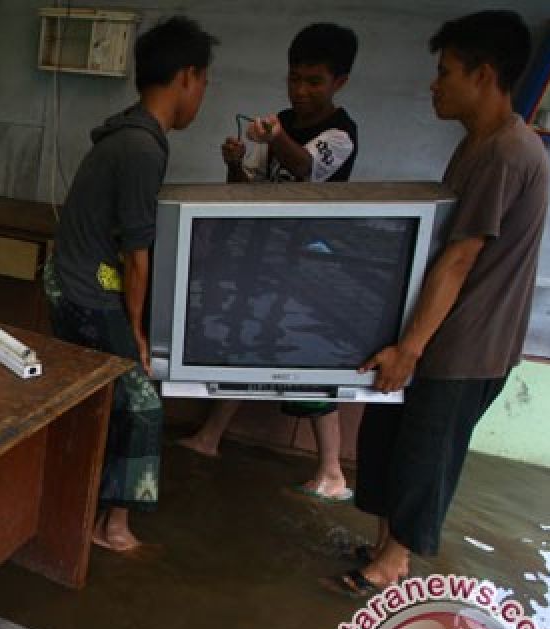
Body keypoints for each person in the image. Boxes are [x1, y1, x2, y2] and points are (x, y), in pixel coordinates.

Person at [326, 10, 549, 596]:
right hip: (439, 332)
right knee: (385, 442)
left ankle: (393, 564)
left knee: (425, 452)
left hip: (468, 342)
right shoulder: (477, 146)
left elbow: (459, 258)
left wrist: (410, 349)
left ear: (483, 74)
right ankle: (383, 545)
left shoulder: (507, 152)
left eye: (445, 72)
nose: (435, 84)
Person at [45, 16, 218, 551]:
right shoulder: (142, 148)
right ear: (187, 77)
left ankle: (75, 505)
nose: (203, 94)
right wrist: (137, 335)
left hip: (69, 280)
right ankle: (112, 526)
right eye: (205, 82)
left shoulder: (126, 131)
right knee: (143, 405)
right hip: (85, 288)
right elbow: (136, 258)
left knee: (99, 401)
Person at [178, 23, 360, 504]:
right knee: (246, 340)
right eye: (294, 79)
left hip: (309, 262)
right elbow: (247, 191)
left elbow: (305, 168)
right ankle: (210, 436)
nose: (300, 91)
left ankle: (332, 471)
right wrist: (235, 161)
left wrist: (275, 137)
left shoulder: (341, 134)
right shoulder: (278, 122)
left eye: (313, 81)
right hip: (264, 255)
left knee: (309, 358)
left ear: (339, 81)